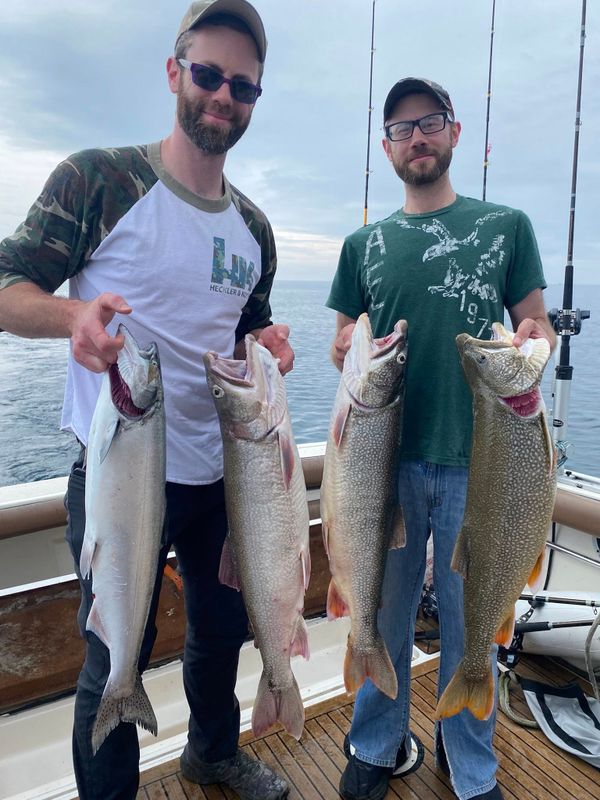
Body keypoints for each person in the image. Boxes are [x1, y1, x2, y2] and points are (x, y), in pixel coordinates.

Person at [0, 2, 293, 799]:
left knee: (222, 631)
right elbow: (8, 283)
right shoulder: (99, 180)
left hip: (220, 475)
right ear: (174, 72)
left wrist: (267, 349)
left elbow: (248, 330)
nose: (222, 96)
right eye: (207, 74)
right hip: (122, 473)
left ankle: (211, 752)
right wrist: (72, 320)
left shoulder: (256, 229)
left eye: (242, 85)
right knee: (112, 654)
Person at [327, 77, 556, 800]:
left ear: (454, 133)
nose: (416, 138)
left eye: (428, 123)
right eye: (401, 129)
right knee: (381, 614)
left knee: (474, 619)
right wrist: (343, 349)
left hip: (480, 464)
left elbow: (537, 326)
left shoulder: (508, 224)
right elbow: (342, 337)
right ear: (387, 148)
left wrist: (532, 340)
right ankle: (376, 743)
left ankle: (471, 761)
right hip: (382, 467)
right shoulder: (362, 244)